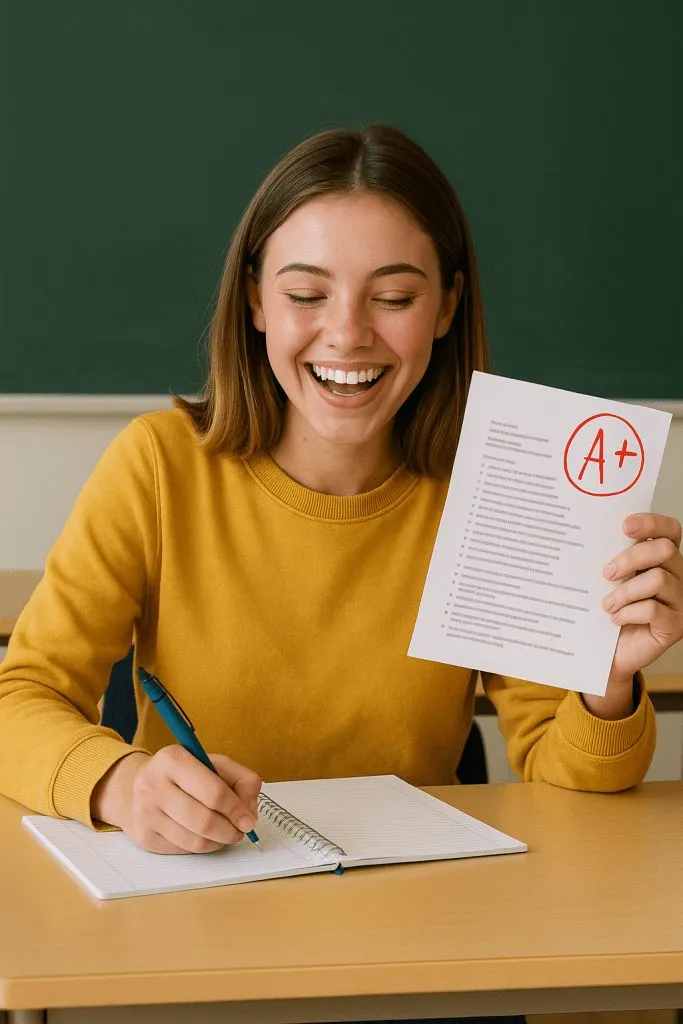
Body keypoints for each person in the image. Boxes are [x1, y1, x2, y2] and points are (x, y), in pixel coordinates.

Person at [1, 123, 682, 863]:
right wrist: (120, 784)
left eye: (392, 296)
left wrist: (603, 682)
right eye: (305, 293)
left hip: (420, 903)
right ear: (256, 300)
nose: (347, 333)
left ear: (447, 307)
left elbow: (572, 779)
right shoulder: (159, 468)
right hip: (195, 896)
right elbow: (18, 701)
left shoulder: (497, 491)